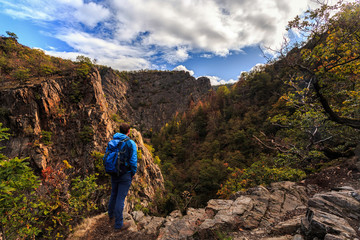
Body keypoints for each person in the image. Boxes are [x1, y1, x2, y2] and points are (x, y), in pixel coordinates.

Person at [107, 123, 137, 231]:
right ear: (128, 131)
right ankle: (119, 225)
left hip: (113, 172)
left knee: (113, 194)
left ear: (119, 131)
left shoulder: (112, 142)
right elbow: (133, 161)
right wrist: (133, 172)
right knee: (120, 198)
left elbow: (107, 156)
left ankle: (111, 216)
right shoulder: (130, 143)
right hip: (125, 174)